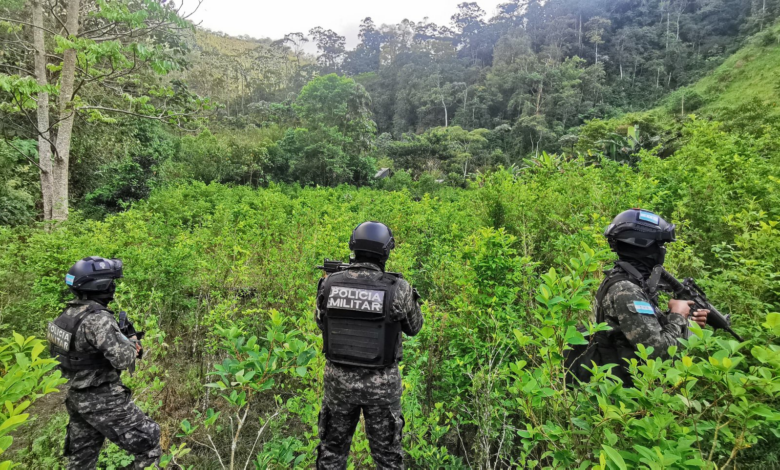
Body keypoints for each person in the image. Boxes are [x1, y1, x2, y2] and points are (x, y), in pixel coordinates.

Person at [315, 222, 424, 470]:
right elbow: (414, 327)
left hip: (339, 385)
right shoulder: (398, 288)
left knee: (331, 454)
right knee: (387, 459)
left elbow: (322, 323)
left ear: (354, 247)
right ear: (386, 251)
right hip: (382, 388)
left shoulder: (329, 283)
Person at [567, 209, 709, 386]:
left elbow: (637, 329)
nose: (662, 251)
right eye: (660, 245)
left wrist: (687, 322)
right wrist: (678, 315)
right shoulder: (626, 290)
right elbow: (657, 353)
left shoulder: (626, 281)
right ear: (645, 245)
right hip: (626, 394)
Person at [47, 257, 161, 469]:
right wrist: (133, 343)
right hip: (101, 397)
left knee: (81, 459)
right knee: (149, 442)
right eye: (111, 282)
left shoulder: (64, 317)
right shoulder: (97, 319)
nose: (114, 287)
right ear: (100, 286)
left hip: (75, 397)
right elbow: (123, 359)